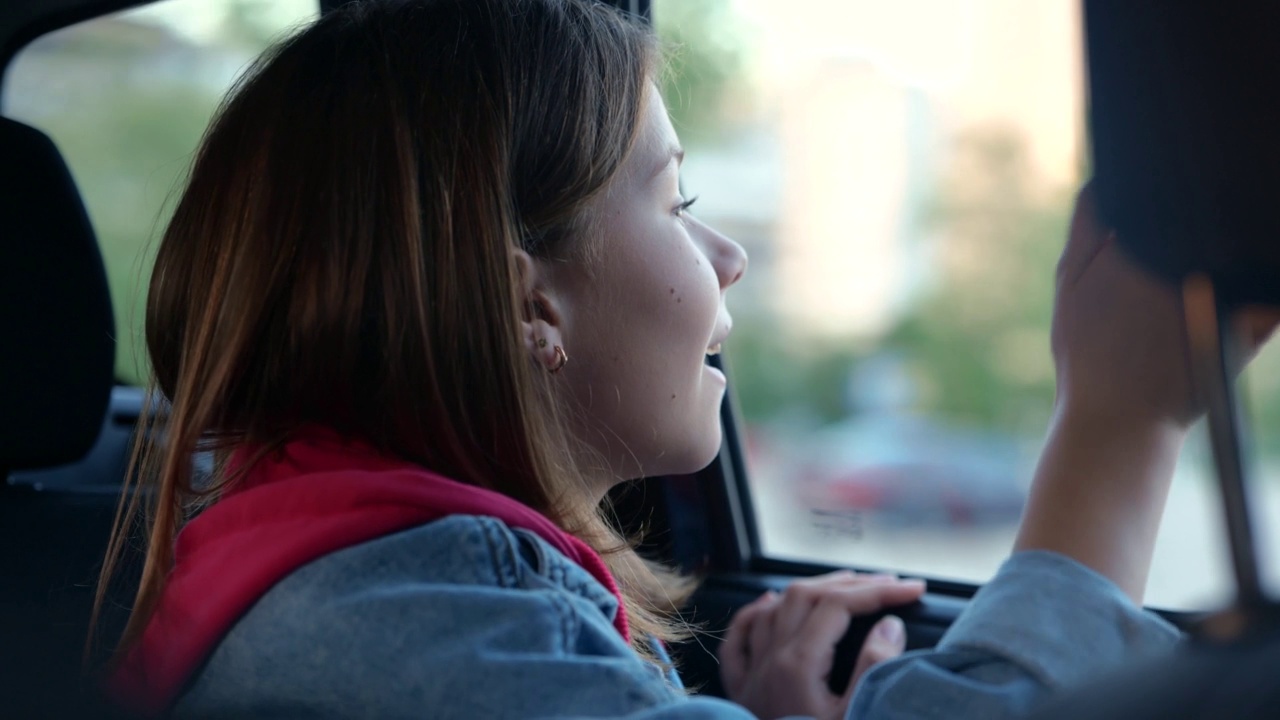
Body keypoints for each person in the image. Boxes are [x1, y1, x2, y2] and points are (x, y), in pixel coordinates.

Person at [92, 0, 1269, 717]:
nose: (728, 254)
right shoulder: (415, 619)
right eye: (676, 197)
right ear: (525, 301)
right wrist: (1118, 427)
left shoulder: (357, 576)